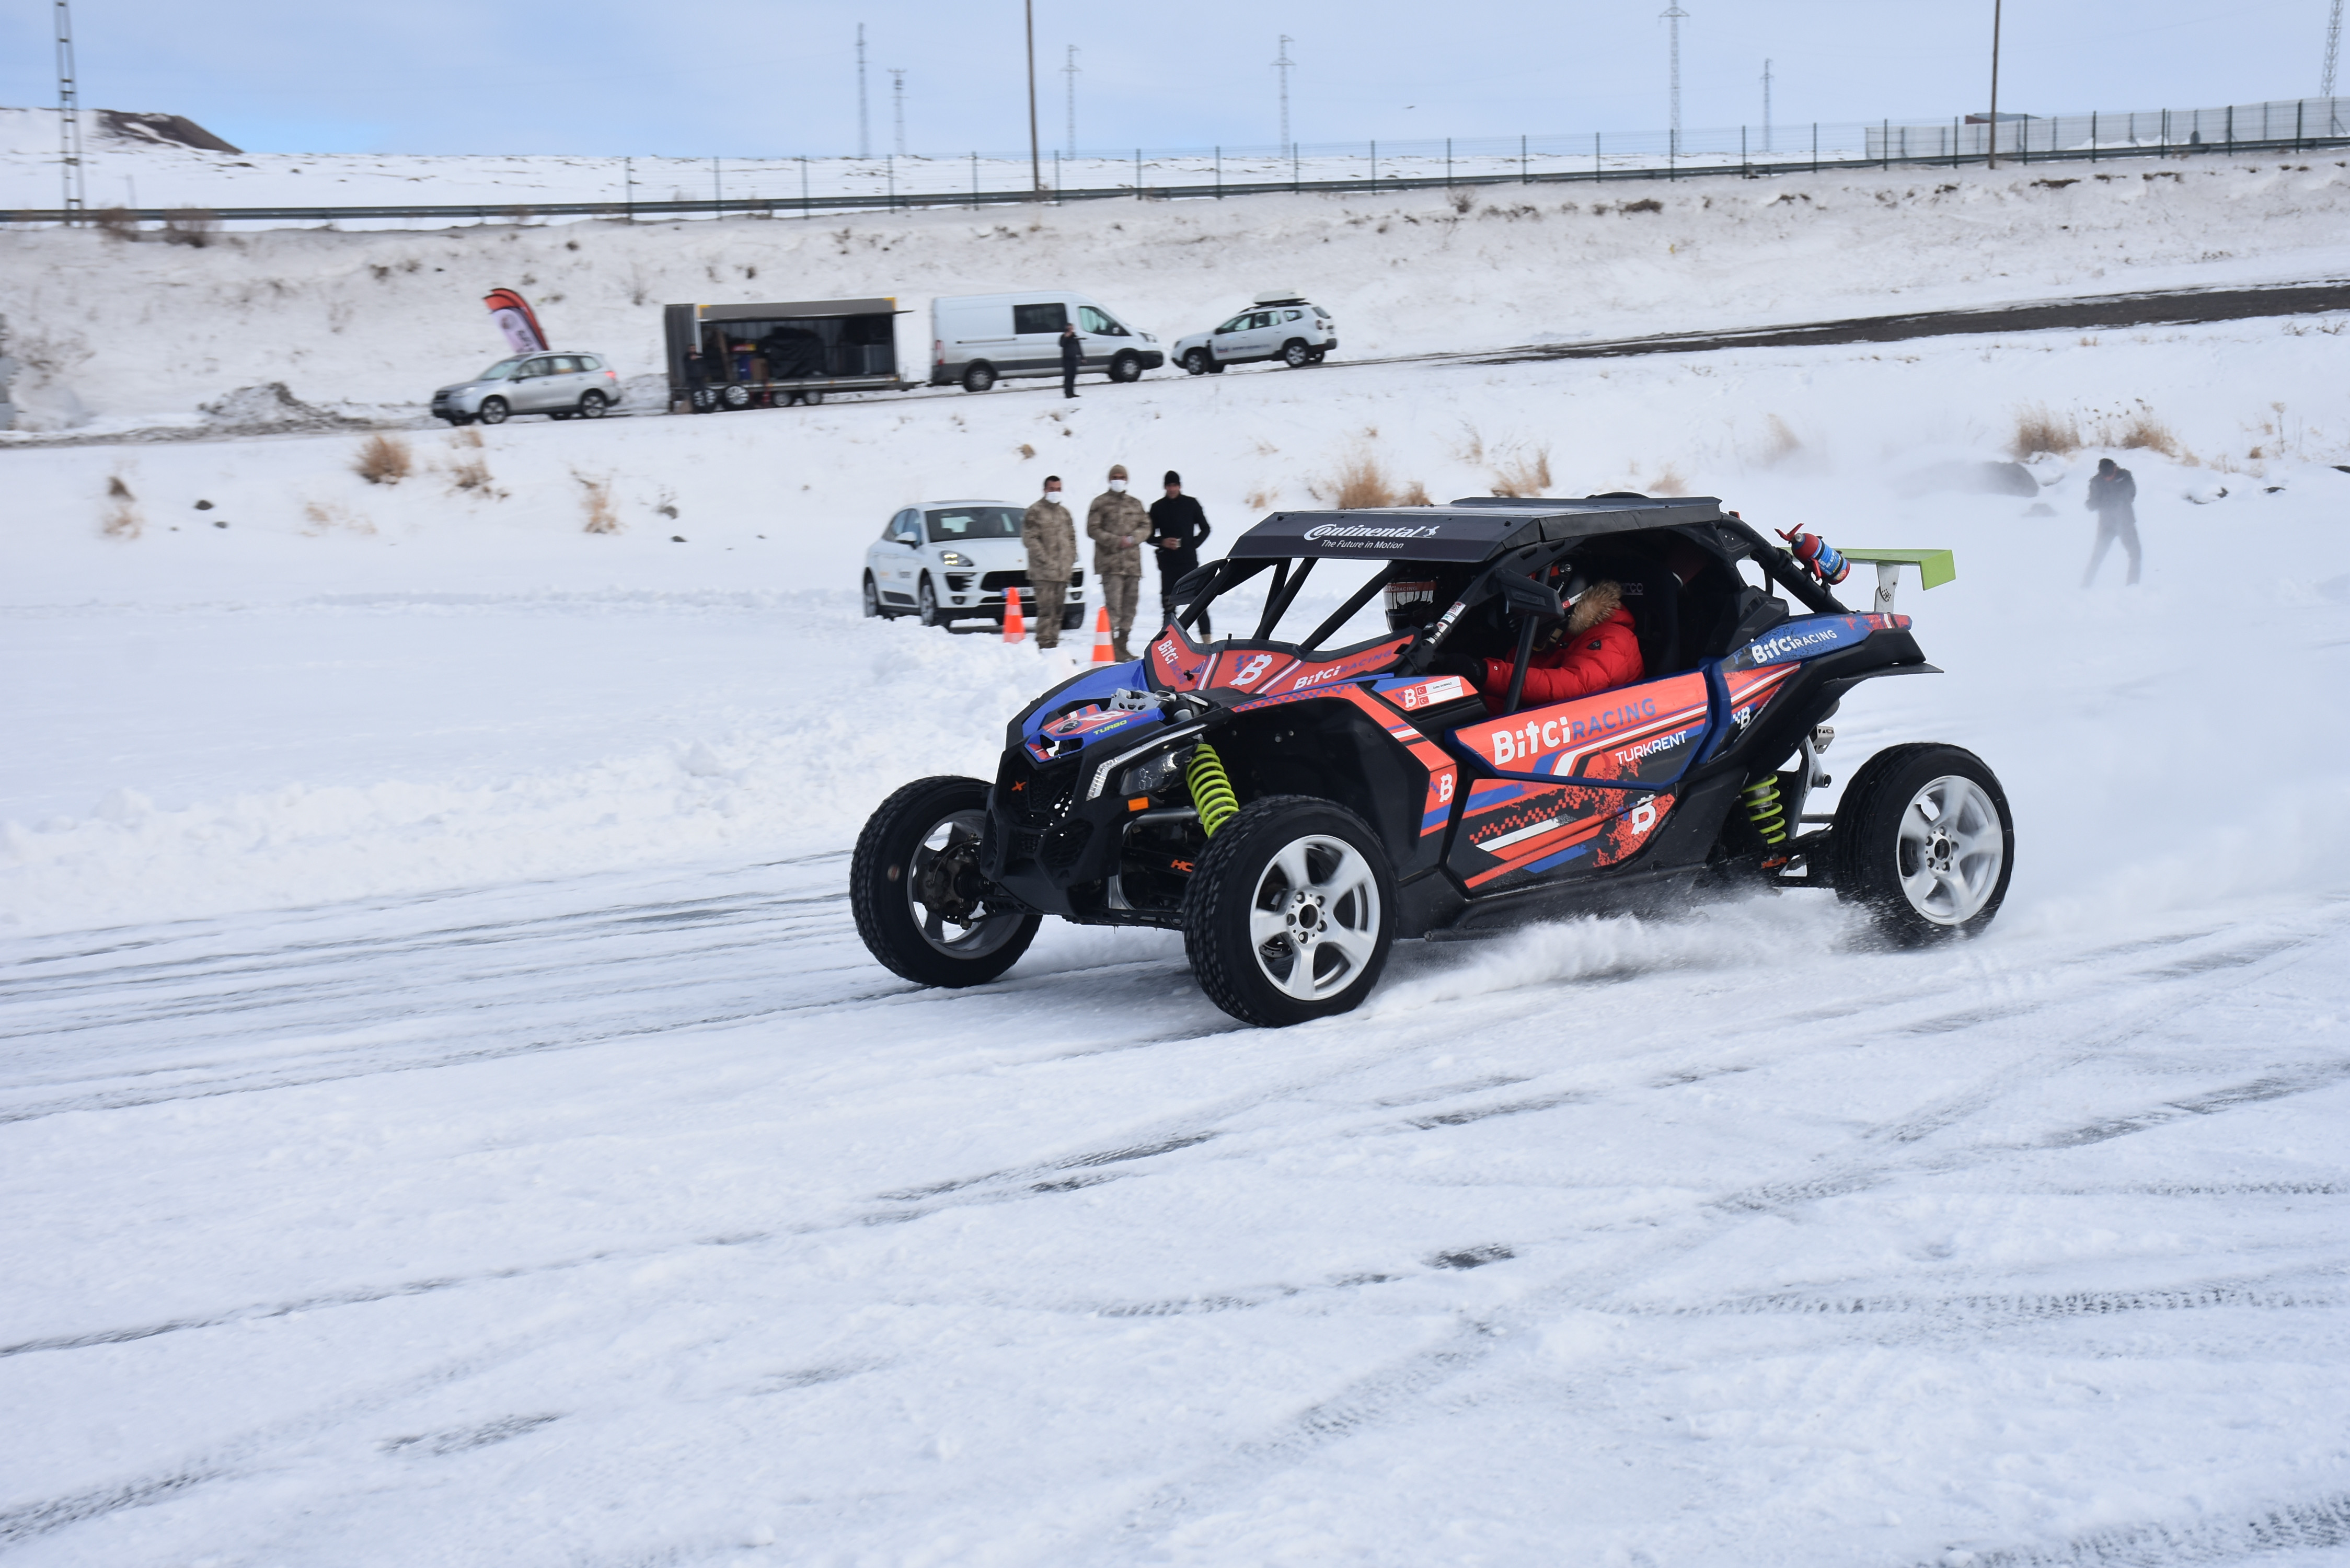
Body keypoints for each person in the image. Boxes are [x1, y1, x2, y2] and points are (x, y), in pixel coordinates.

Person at [1428, 574, 1644, 712]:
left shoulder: (1614, 637)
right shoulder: (1546, 641)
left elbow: (1573, 686)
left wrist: (1485, 672)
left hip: (1590, 738)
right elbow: (1503, 699)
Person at [1086, 464, 1152, 660]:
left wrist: (1133, 538)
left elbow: (1146, 526)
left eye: (1121, 476)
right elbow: (1093, 529)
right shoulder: (1100, 503)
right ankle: (1109, 646)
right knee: (1113, 608)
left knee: (1130, 608)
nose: (1118, 479)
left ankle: (1122, 645)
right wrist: (1116, 541)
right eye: (1115, 476)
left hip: (1132, 565)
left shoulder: (1135, 504)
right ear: (1109, 479)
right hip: (1111, 564)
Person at [1146, 470, 1214, 639]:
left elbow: (1206, 528)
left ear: (1180, 486)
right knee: (1168, 605)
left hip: (1189, 562)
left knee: (1199, 602)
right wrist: (1162, 542)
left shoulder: (1191, 504)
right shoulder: (1157, 507)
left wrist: (1192, 545)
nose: (1172, 489)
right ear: (1165, 487)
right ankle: (1167, 642)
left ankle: (1207, 641)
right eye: (1169, 486)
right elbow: (1147, 536)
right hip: (1168, 564)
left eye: (1175, 485)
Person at [1022, 476, 1077, 651]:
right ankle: (1044, 645)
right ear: (1045, 490)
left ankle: (1053, 644)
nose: (1055, 492)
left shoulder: (1064, 513)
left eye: (1058, 489)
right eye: (1052, 489)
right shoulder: (1035, 511)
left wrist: (1070, 559)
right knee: (1046, 611)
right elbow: (1030, 539)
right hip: (1043, 573)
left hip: (1062, 572)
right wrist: (1046, 559)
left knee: (1058, 612)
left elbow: (1071, 538)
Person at [2083, 456, 2141, 586]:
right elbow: (2094, 502)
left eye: (2110, 475)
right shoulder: (2096, 481)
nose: (2107, 478)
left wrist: (2111, 503)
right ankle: (2085, 586)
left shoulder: (2125, 476)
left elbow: (2131, 495)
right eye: (2105, 476)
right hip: (2106, 524)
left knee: (2136, 554)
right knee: (2098, 556)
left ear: (2115, 468)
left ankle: (2132, 587)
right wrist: (2091, 504)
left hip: (2126, 522)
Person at [682, 347, 709, 413]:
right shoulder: (686, 357)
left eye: (694, 349)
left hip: (700, 377)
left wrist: (706, 374)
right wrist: (691, 360)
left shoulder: (700, 356)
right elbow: (686, 366)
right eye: (691, 349)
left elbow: (704, 365)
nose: (693, 350)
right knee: (693, 394)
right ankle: (695, 410)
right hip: (692, 378)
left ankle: (707, 409)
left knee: (704, 393)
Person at [1059, 321, 1082, 399]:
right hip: (1067, 359)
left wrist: (1083, 357)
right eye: (1069, 328)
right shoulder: (1064, 336)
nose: (1071, 329)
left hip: (1074, 359)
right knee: (1068, 377)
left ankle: (1072, 393)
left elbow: (1079, 348)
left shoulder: (1075, 337)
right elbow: (1061, 345)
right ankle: (1067, 393)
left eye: (1072, 328)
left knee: (1073, 376)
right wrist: (1066, 337)